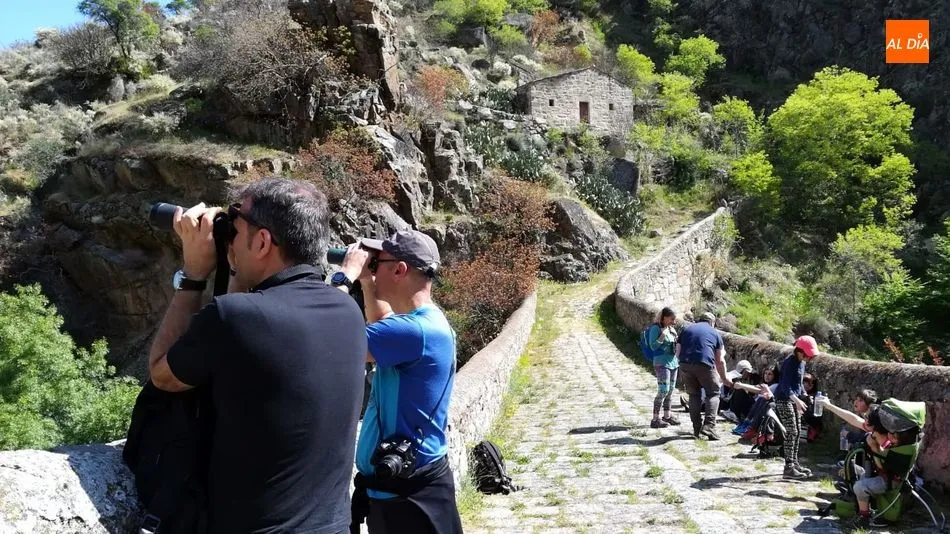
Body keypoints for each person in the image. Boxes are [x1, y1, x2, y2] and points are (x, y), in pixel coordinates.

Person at [147, 178, 368, 533]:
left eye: (235, 230)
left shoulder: (235, 318)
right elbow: (250, 330)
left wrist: (194, 275)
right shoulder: (348, 312)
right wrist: (237, 263)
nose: (230, 240)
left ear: (263, 241)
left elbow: (162, 375)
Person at [337, 230, 463, 534]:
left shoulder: (413, 332)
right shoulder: (426, 323)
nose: (371, 268)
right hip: (411, 490)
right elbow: (382, 326)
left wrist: (345, 276)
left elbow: (330, 335)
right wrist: (367, 282)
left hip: (407, 502)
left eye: (377, 263)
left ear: (399, 270)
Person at [675, 312, 733, 440]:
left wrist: (681, 370)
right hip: (705, 364)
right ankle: (709, 427)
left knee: (693, 395)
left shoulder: (686, 330)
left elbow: (677, 352)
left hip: (685, 364)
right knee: (713, 393)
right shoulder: (715, 333)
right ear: (712, 322)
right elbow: (720, 360)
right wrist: (724, 378)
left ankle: (696, 428)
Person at [773, 335, 820, 479]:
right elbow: (785, 385)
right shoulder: (790, 363)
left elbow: (798, 384)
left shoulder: (802, 363)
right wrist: (796, 400)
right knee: (792, 431)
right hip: (783, 399)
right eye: (808, 355)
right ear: (800, 351)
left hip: (794, 400)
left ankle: (794, 463)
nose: (810, 358)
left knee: (798, 431)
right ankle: (788, 467)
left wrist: (804, 395)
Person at [648, 307, 681, 428]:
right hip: (661, 363)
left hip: (673, 363)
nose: (674, 322)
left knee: (670, 390)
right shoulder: (655, 328)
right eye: (672, 319)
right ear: (664, 317)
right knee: (663, 390)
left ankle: (667, 416)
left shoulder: (671, 329)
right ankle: (655, 419)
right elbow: (653, 346)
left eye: (675, 319)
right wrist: (663, 335)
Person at [800, 373, 823, 442]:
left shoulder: (815, 397)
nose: (803, 385)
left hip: (810, 421)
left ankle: (812, 434)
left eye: (805, 383)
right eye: (802, 382)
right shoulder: (799, 394)